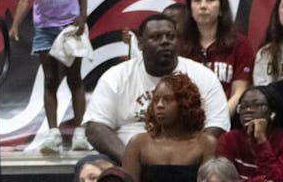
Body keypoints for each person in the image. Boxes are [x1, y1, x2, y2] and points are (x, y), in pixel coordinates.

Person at [83, 14, 228, 160]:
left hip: (189, 161)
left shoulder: (203, 76)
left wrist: (187, 157)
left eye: (170, 36)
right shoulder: (116, 76)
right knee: (88, 165)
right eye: (156, 37)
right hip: (124, 159)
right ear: (140, 43)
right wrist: (130, 159)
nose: (165, 41)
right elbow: (96, 127)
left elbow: (217, 125)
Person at [10, 0, 90, 155]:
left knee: (75, 78)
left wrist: (83, 16)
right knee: (51, 80)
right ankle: (53, 134)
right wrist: (15, 24)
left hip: (70, 28)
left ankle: (79, 132)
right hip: (45, 29)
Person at [120, 72, 215, 182]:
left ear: (185, 103)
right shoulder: (137, 144)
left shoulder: (205, 144)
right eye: (156, 100)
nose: (159, 105)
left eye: (167, 99)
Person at [178, 0, 253, 116]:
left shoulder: (240, 44)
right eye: (197, 0)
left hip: (226, 120)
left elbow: (239, 92)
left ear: (221, 8)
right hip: (187, 122)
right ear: (190, 8)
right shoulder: (180, 45)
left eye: (210, 0)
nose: (203, 6)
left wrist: (218, 120)